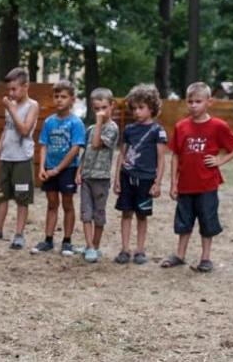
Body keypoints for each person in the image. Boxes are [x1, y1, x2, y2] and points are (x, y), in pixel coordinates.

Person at [162, 81, 233, 272]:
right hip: (185, 185)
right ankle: (180, 255)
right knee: (184, 221)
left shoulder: (218, 126)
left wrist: (220, 160)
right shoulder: (181, 126)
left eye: (198, 101)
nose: (193, 105)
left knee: (207, 221)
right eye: (190, 101)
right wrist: (173, 183)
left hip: (207, 185)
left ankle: (205, 258)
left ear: (209, 102)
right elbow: (175, 156)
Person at [0, 67, 39, 249]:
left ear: (25, 87)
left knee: (22, 198)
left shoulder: (32, 106)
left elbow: (24, 130)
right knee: (2, 196)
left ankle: (19, 234)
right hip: (7, 157)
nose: (11, 93)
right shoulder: (11, 105)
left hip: (22, 159)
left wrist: (11, 109)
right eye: (9, 89)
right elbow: (6, 130)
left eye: (14, 89)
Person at [113, 84, 167, 265]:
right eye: (134, 108)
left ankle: (140, 250)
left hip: (146, 180)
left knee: (142, 215)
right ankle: (124, 249)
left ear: (151, 108)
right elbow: (122, 154)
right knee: (126, 213)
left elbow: (161, 159)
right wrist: (117, 178)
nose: (137, 111)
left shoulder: (158, 131)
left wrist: (157, 183)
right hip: (127, 177)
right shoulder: (129, 129)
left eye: (141, 107)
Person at [32, 79, 85, 255]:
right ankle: (48, 239)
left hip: (67, 170)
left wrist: (58, 169)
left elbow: (75, 149)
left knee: (67, 204)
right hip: (49, 168)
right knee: (52, 203)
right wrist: (42, 168)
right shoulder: (49, 122)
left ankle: (67, 241)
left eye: (63, 96)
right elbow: (43, 145)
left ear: (72, 100)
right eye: (56, 96)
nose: (59, 100)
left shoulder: (76, 123)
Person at [75, 87, 120, 263]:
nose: (100, 112)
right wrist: (79, 171)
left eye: (104, 108)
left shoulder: (112, 128)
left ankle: (95, 245)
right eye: (96, 109)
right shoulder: (91, 128)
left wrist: (100, 123)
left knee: (98, 214)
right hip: (87, 177)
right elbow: (87, 151)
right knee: (86, 213)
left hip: (101, 178)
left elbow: (96, 144)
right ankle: (89, 246)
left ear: (112, 106)